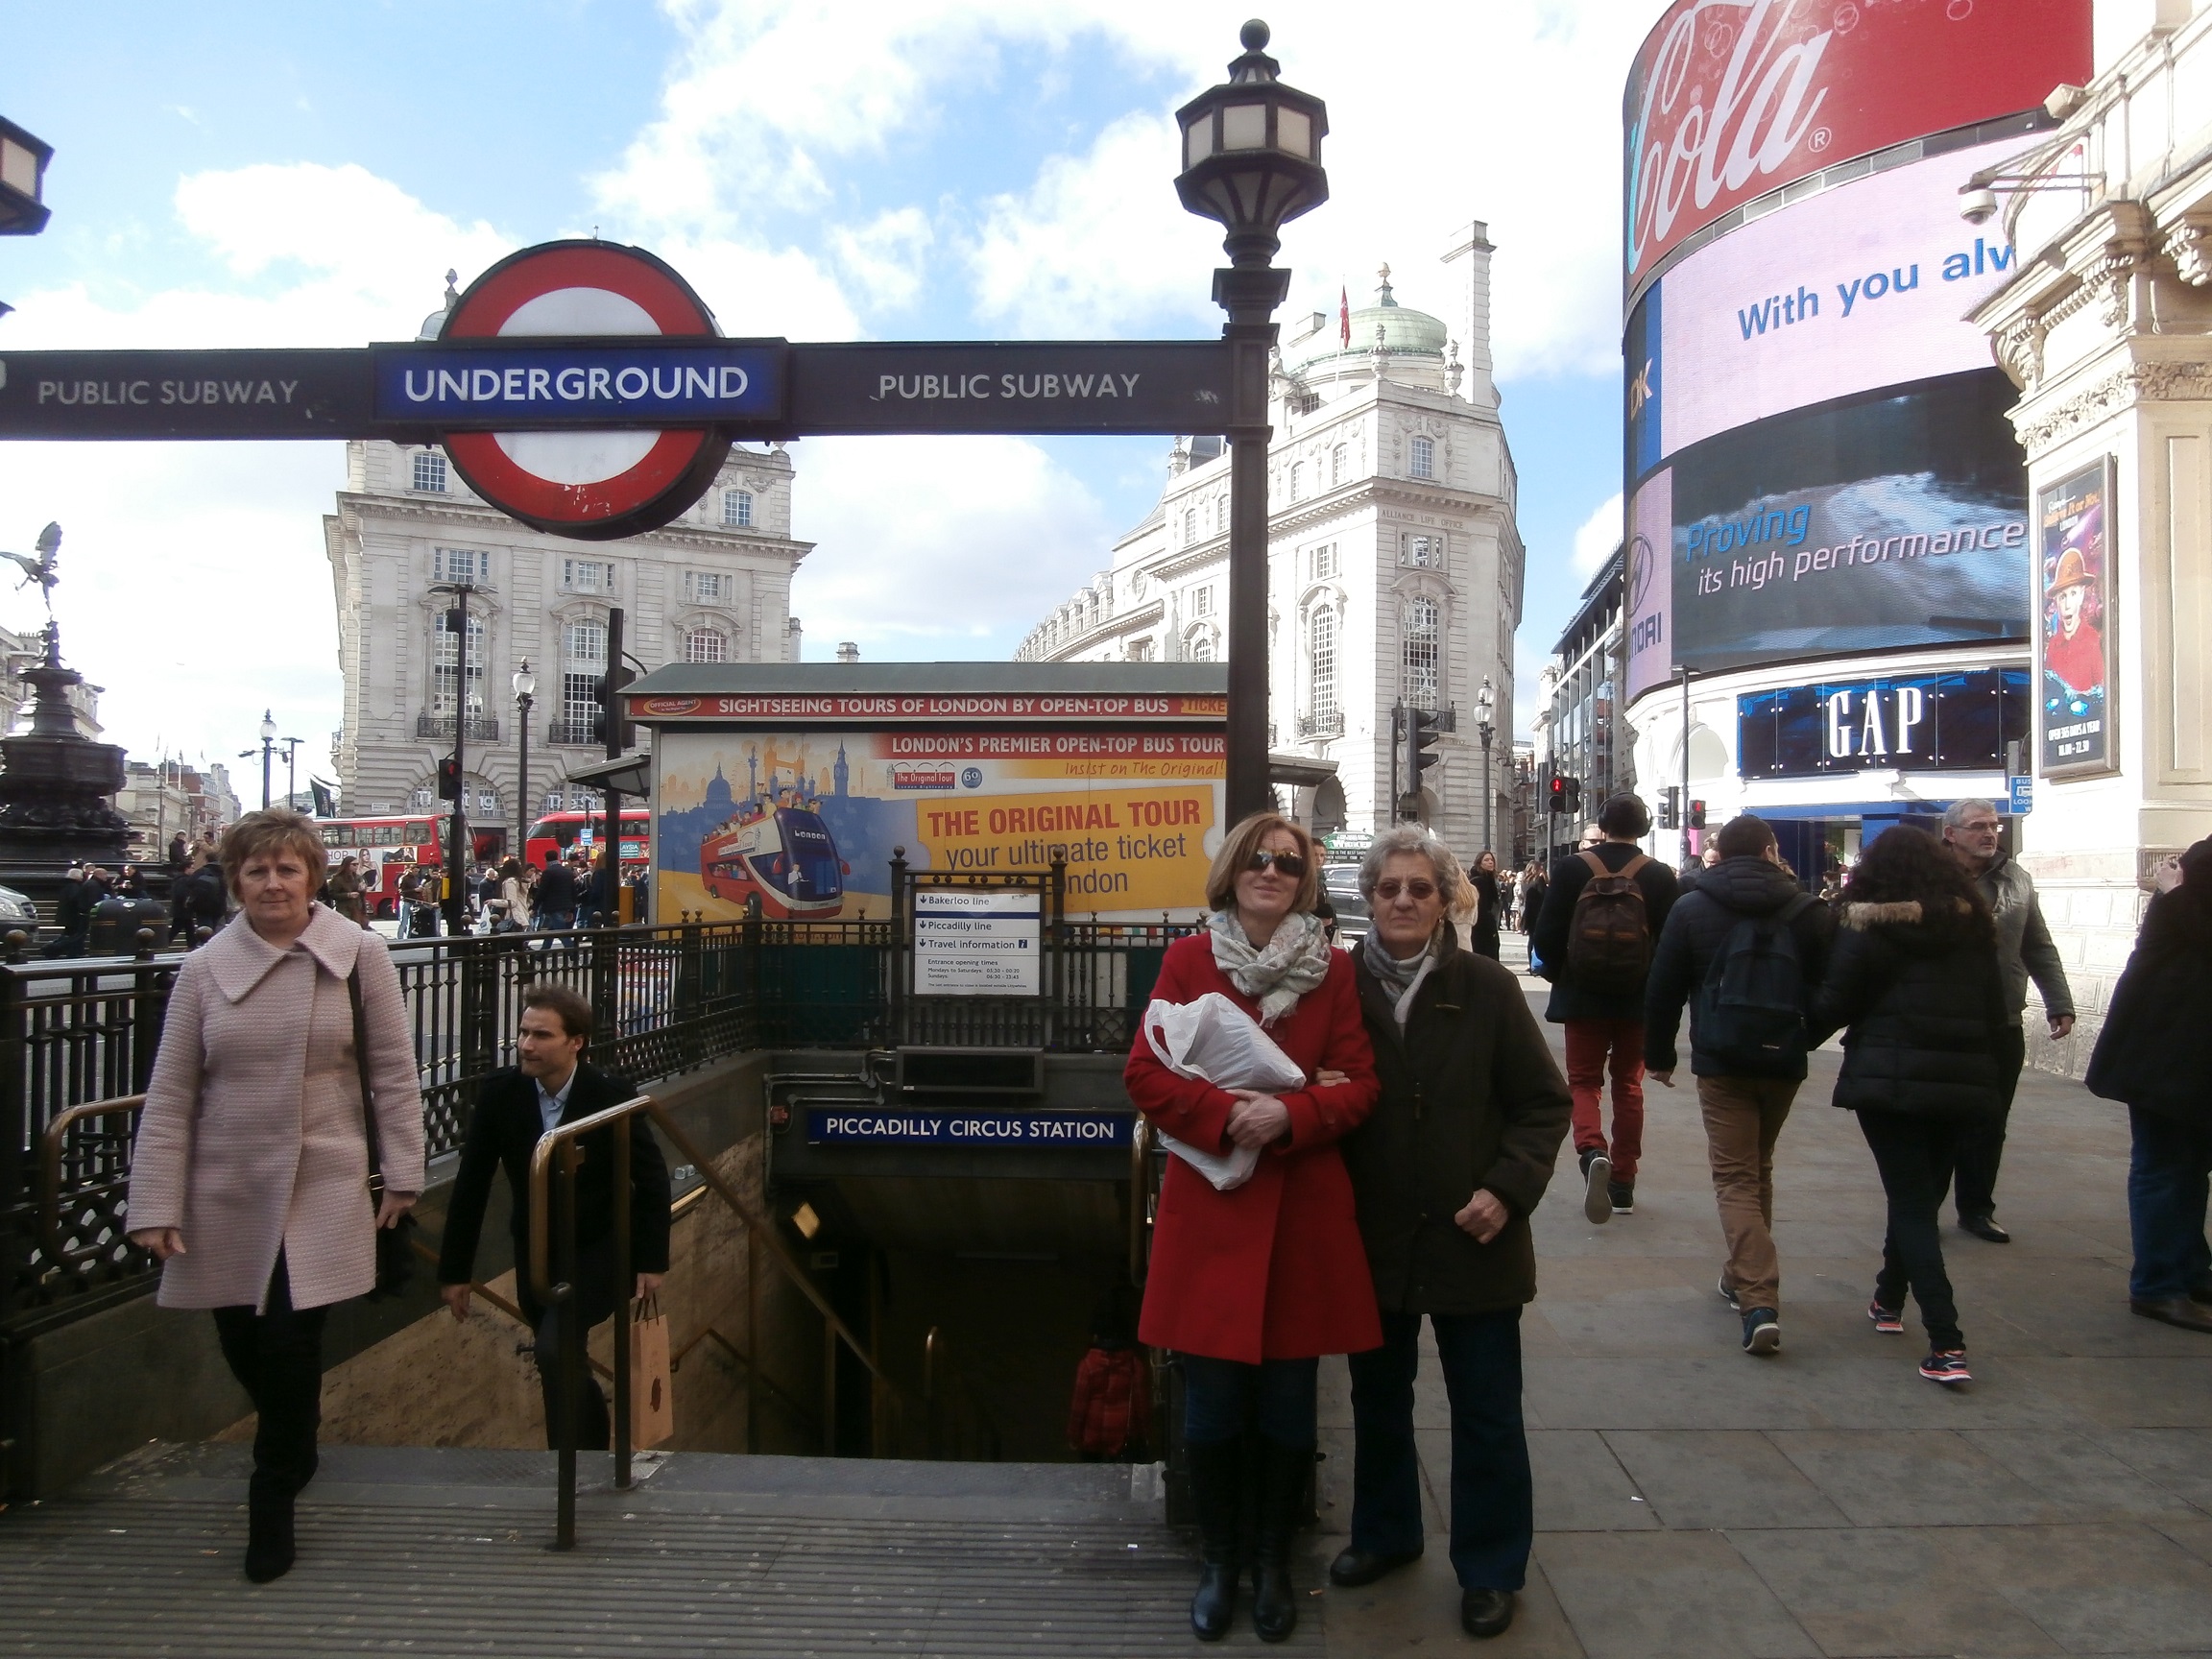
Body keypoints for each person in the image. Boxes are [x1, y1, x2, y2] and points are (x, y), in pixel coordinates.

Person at [124, 808, 423, 1581]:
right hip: (223, 1187)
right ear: (235, 884)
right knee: (244, 1345)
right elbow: (171, 1095)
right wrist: (153, 1204)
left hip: (322, 1177)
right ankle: (298, 1441)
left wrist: (403, 1173)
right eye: (256, 871)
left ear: (314, 877)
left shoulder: (359, 958)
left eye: (288, 869)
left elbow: (392, 1073)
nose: (272, 884)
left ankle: (272, 1501)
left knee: (291, 1345)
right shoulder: (201, 972)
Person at [1123, 810, 1380, 1645]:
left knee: (1286, 1411)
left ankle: (1272, 1562)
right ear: (1232, 871)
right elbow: (1145, 1073)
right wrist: (1230, 1115)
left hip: (1300, 1214)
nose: (1271, 871)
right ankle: (1219, 1560)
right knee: (1211, 1411)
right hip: (1215, 1210)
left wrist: (1295, 1114)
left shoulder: (1334, 970)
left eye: (1287, 862)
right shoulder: (1190, 959)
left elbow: (1359, 1086)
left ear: (1304, 879)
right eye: (1257, 860)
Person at [1330, 826, 1571, 1641]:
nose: (1401, 900)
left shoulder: (1488, 988)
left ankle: (1493, 1566)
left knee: (1488, 1409)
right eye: (1388, 887)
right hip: (1375, 1235)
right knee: (1378, 1399)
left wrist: (1508, 1191)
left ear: (1445, 900)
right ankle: (1387, 1534)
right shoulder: (1334, 987)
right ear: (1369, 898)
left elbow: (1544, 1104)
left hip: (1476, 1238)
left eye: (1418, 889)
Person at [1811, 826, 2007, 1385]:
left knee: (1912, 1202)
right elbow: (1996, 1009)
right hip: (1963, 1081)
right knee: (1919, 1196)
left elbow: (1834, 1001)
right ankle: (1888, 1299)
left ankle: (1947, 1341)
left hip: (1890, 1080)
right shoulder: (1973, 924)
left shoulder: (1867, 924)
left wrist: (1785, 1039)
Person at [438, 984, 670, 1450]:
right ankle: (575, 1457)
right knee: (560, 1356)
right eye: (523, 1032)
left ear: (576, 1042)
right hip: (538, 1250)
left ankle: (575, 1463)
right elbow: (472, 1185)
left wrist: (652, 1261)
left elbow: (652, 1179)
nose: (526, 1045)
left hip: (601, 1248)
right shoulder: (502, 1093)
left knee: (553, 1348)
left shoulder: (609, 1094)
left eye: (541, 1035)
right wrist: (456, 1271)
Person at [1645, 814, 1834, 1356]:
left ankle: (1757, 1298)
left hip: (1722, 1057)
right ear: (1772, 850)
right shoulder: (1807, 910)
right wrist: (1803, 1033)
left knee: (1734, 1176)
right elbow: (1831, 986)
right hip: (1781, 1060)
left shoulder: (1692, 906)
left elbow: (1663, 989)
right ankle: (1740, 1274)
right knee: (1759, 1165)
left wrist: (1658, 1056)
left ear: (1719, 854)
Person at [1531, 794, 1678, 1221]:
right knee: (1629, 1088)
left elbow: (1546, 934)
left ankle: (1592, 1149)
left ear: (1601, 824)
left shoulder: (1574, 868)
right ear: (1643, 828)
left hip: (1583, 996)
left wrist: (1566, 976)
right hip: (1637, 999)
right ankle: (1624, 1183)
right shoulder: (1659, 876)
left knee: (1582, 1082)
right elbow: (1670, 946)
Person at [2085, 838, 2212, 1333]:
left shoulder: (2182, 901)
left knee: (2188, 1168)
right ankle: (2158, 1286)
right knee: (2163, 1169)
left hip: (2186, 1062)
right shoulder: (2184, 904)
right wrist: (2175, 896)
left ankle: (2190, 1272)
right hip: (2165, 1060)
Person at [1939, 799, 2075, 1242]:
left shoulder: (2016, 878)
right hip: (1942, 1022)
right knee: (1939, 1120)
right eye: (1978, 826)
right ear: (1951, 833)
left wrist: (2059, 1000)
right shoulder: (1927, 878)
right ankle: (1920, 1207)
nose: (1990, 833)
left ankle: (1977, 1209)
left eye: (1994, 826)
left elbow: (2037, 944)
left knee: (1990, 1120)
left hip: (2001, 1021)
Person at [1067, 1287, 1152, 1462]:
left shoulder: (1088, 1365)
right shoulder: (1134, 1365)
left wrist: (1074, 1436)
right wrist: (1145, 1433)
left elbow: (1079, 1407)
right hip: (1123, 1437)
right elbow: (1141, 1405)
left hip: (1092, 1437)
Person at [1465, 850, 1503, 961]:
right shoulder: (1480, 881)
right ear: (1479, 863)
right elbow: (1481, 908)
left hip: (1485, 927)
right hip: (1481, 929)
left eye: (1491, 860)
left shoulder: (1489, 880)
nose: (1490, 862)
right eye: (1486, 860)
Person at [535, 851, 579, 932]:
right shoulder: (567, 872)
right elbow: (573, 891)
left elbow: (542, 891)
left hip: (553, 906)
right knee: (552, 929)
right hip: (567, 905)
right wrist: (572, 909)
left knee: (561, 932)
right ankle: (546, 945)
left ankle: (571, 945)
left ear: (545, 859)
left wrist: (535, 907)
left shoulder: (548, 872)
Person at [325, 855, 370, 928]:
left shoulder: (358, 877)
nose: (356, 866)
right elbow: (332, 895)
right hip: (344, 910)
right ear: (347, 865)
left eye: (357, 864)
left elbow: (362, 895)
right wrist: (348, 895)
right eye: (354, 864)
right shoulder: (338, 879)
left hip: (357, 909)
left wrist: (362, 890)